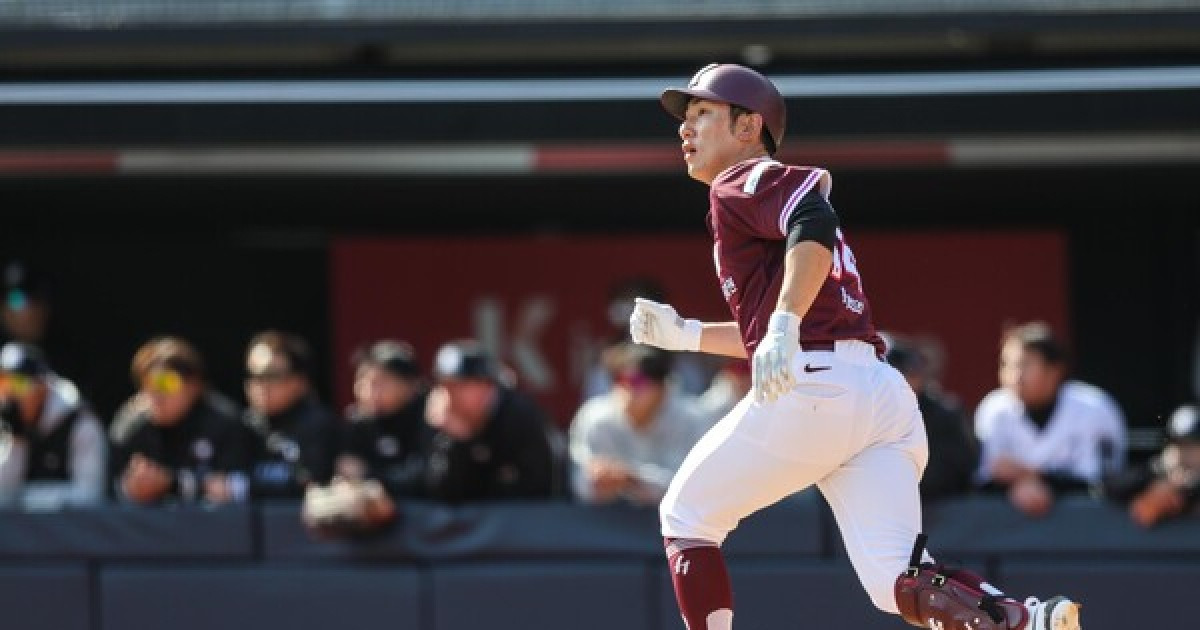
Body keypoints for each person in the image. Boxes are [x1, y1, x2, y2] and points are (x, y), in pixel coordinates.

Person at [629, 63, 1080, 630]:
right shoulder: (752, 201)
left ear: (748, 127)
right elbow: (777, 320)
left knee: (686, 513)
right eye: (685, 117)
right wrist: (689, 335)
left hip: (817, 390)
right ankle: (1023, 618)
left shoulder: (744, 178)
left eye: (701, 114)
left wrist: (784, 322)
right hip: (876, 395)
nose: (685, 128)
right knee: (898, 582)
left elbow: (811, 218)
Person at [974, 321, 1126, 518]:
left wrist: (1028, 475)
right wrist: (1023, 483)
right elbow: (985, 479)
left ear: (1055, 371)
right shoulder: (993, 409)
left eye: (1024, 365)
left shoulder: (1095, 408)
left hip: (1085, 524)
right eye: (1006, 365)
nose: (1014, 376)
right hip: (1007, 526)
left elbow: (1099, 483)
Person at [303, 340, 424, 535]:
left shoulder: (430, 418)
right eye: (362, 381)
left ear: (409, 385)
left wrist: (371, 475)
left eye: (380, 383)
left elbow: (426, 476)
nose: (368, 391)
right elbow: (345, 471)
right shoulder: (357, 423)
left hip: (422, 519)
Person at [109, 337, 250, 505]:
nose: (156, 395)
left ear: (194, 385)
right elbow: (112, 487)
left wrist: (171, 484)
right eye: (147, 384)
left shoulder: (224, 422)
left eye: (165, 384)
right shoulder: (131, 426)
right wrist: (131, 487)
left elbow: (233, 488)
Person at [569, 344, 710, 506]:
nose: (627, 389)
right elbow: (578, 482)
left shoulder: (692, 419)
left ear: (662, 387)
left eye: (636, 381)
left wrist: (631, 478)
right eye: (619, 380)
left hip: (681, 521)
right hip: (611, 520)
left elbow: (694, 487)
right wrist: (597, 482)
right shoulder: (595, 417)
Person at [422, 339, 558, 502]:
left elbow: (536, 488)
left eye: (457, 386)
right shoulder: (437, 416)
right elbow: (439, 493)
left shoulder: (519, 416)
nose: (448, 394)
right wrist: (459, 441)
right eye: (445, 386)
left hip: (519, 520)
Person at [0, 342, 106, 509]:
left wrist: (28, 497)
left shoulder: (80, 423)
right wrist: (17, 439)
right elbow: (3, 495)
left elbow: (90, 495)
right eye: (3, 383)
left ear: (42, 386)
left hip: (72, 531)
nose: (10, 394)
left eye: (19, 383)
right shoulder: (8, 421)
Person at [242, 331, 337, 500]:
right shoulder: (244, 425)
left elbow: (312, 482)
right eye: (254, 375)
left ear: (300, 381)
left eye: (272, 376)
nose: (261, 385)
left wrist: (243, 486)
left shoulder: (320, 425)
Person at [884, 334, 979, 502]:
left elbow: (961, 468)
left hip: (942, 509)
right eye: (903, 374)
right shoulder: (871, 414)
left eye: (914, 373)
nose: (912, 380)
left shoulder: (945, 413)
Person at [1104, 403, 1199, 527]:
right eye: (1178, 444)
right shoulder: (1158, 472)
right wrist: (1158, 471)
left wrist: (1184, 489)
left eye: (1191, 445)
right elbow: (1112, 487)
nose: (1183, 452)